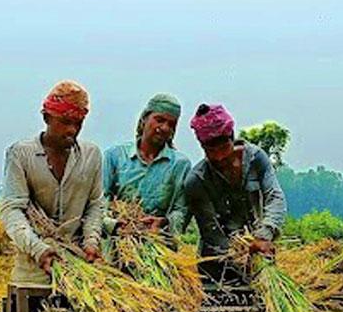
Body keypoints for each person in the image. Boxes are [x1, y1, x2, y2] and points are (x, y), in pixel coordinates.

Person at [0, 80, 105, 287]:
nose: (72, 130)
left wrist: (91, 242)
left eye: (78, 123)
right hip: (33, 271)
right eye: (65, 122)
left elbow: (95, 205)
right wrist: (39, 250)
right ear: (47, 117)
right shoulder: (21, 154)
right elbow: (12, 210)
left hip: (79, 268)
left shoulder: (91, 155)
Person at [182, 103, 287, 280]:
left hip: (260, 257)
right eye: (211, 151)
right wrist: (243, 253)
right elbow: (212, 233)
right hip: (216, 267)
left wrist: (264, 235)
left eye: (224, 148)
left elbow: (274, 196)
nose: (219, 157)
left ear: (232, 137)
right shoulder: (196, 181)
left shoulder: (256, 158)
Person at [102, 93, 192, 238]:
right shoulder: (115, 156)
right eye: (159, 120)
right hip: (118, 248)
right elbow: (99, 202)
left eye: (171, 124)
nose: (164, 128)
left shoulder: (180, 165)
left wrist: (163, 223)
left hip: (160, 249)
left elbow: (182, 211)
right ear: (144, 119)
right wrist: (115, 225)